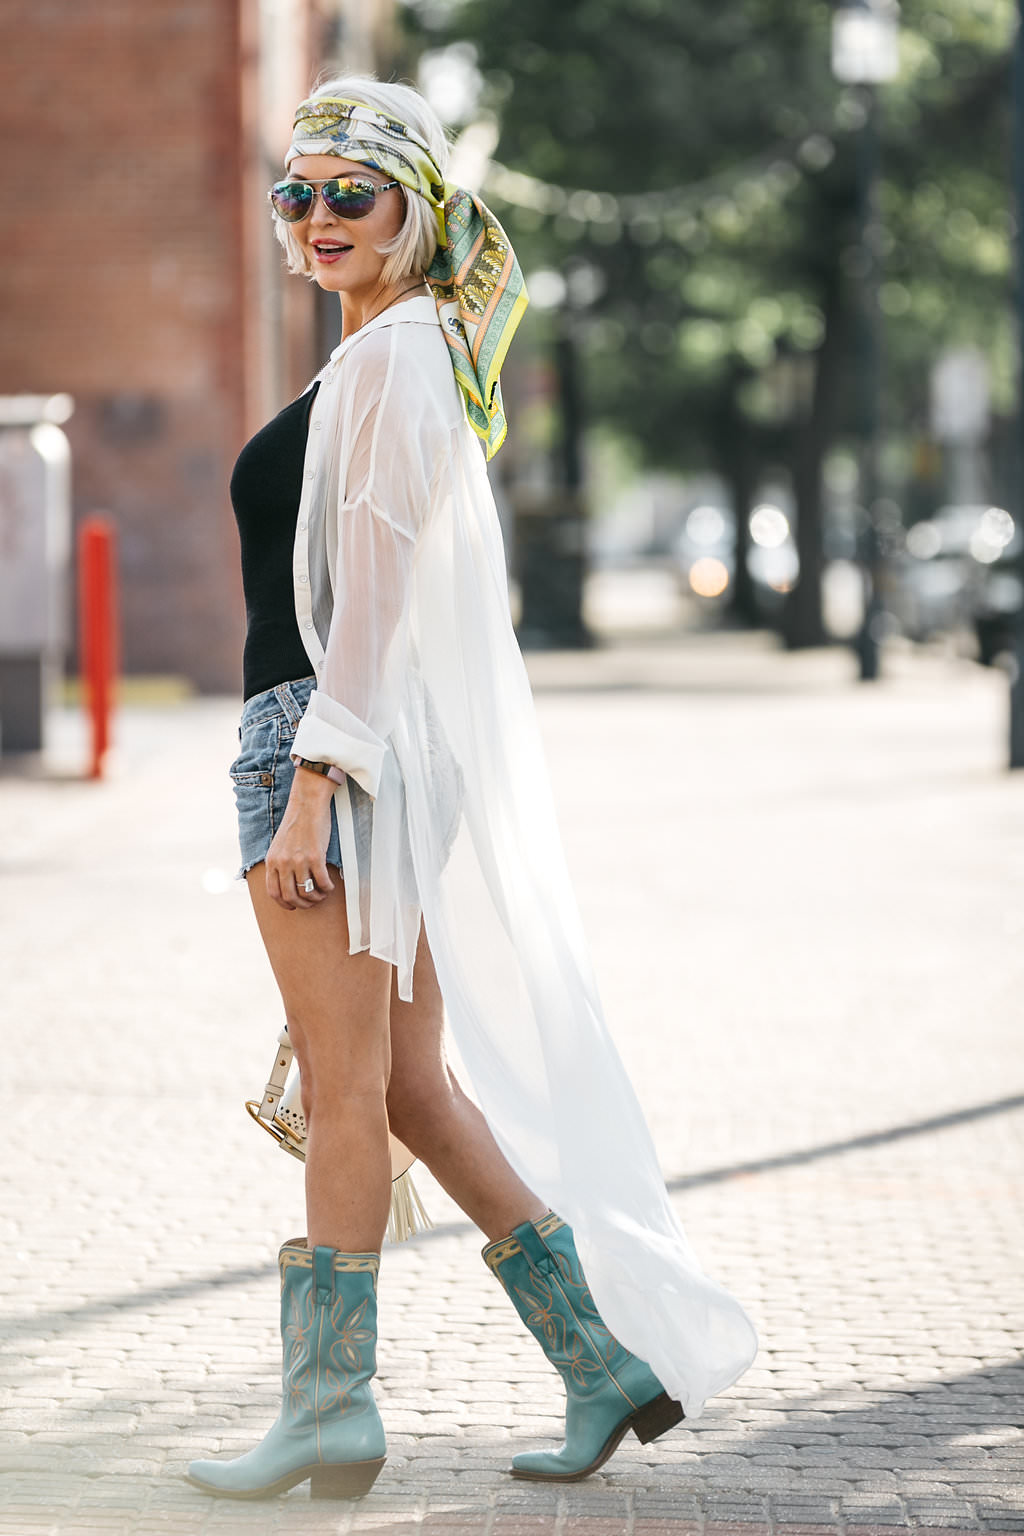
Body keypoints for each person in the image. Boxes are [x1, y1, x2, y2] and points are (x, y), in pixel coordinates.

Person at [186, 75, 757, 1504]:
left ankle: (328, 1413)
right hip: (367, 752)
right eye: (297, 194)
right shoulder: (396, 352)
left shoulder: (392, 362)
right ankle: (605, 1367)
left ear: (416, 210)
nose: (318, 218)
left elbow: (371, 600)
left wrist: (318, 780)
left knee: (347, 1092)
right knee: (418, 1093)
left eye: (351, 193)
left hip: (319, 743)